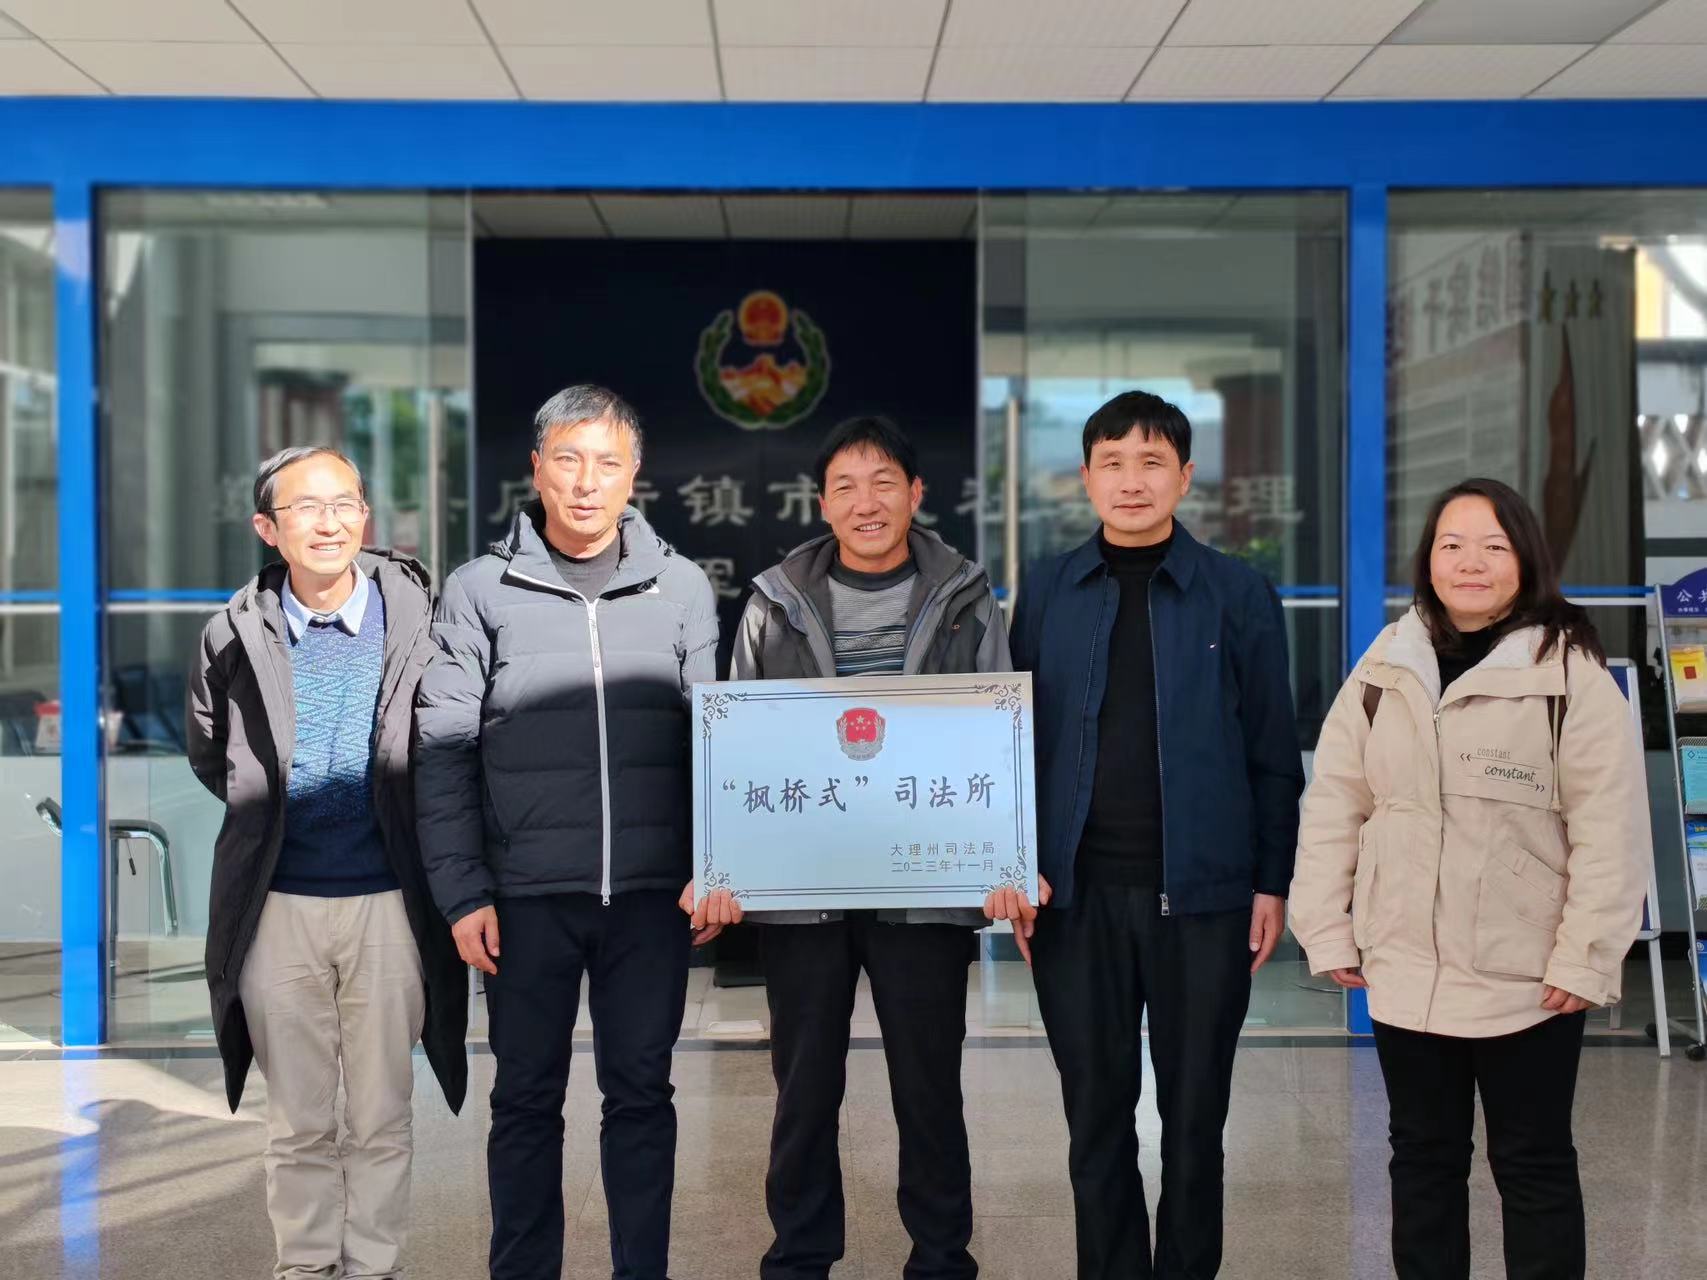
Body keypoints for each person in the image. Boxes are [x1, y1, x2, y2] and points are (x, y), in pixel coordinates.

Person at [1289, 477, 1649, 1280]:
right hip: (1404, 966)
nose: (1470, 563)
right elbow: (1335, 803)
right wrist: (1326, 927)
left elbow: (1609, 828)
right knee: (1421, 1158)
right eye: (1451, 545)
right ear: (1428, 560)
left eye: (1492, 545)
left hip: (1526, 974)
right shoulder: (1386, 664)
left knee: (1532, 1161)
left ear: (1525, 558)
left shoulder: (1569, 673)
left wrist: (1585, 956)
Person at [987, 390, 1303, 1280]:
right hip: (1075, 899)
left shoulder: (1236, 593)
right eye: (1113, 463)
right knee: (1095, 1121)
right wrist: (1019, 867)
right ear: (1086, 477)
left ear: (1186, 477)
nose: (1132, 481)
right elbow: (1013, 742)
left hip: (1203, 900)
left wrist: (1270, 881)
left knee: (1195, 1124)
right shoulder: (1048, 590)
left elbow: (1272, 750)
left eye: (1152, 462)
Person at [694, 414, 1010, 1280]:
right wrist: (726, 867)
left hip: (924, 887)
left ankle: (941, 1258)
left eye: (883, 484)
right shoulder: (773, 602)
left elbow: (996, 735)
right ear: (822, 503)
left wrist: (1003, 863)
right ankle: (799, 1256)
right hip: (805, 892)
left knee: (928, 1088)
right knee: (802, 1090)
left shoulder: (965, 596)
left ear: (916, 494)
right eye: (845, 487)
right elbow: (740, 745)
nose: (865, 503)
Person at [414, 385, 719, 1280]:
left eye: (607, 463)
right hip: (524, 898)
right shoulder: (479, 590)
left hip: (651, 899)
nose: (587, 483)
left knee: (642, 1096)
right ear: (536, 468)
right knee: (523, 1101)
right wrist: (462, 893)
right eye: (569, 461)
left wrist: (715, 867)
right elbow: (442, 748)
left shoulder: (681, 587)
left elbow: (717, 740)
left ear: (635, 475)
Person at [186, 445, 467, 1280]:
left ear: (366, 517)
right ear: (267, 528)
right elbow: (211, 754)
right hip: (277, 905)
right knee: (298, 1116)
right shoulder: (233, 631)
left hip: (390, 902)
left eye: (344, 503)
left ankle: (374, 1265)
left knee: (382, 1110)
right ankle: (306, 1265)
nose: (328, 522)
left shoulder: (419, 617)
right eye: (305, 507)